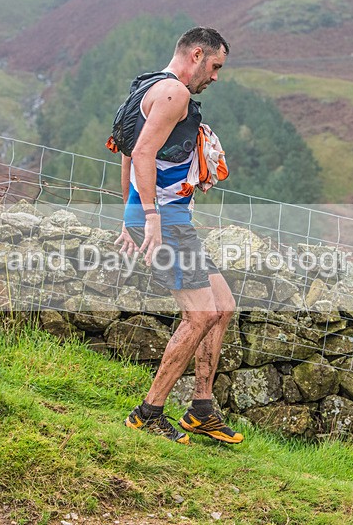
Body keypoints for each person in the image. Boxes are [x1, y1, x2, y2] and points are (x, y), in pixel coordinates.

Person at [113, 27, 242, 445]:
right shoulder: (175, 94)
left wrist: (129, 214)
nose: (216, 77)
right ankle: (148, 413)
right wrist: (148, 217)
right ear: (197, 55)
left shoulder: (147, 85)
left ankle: (201, 408)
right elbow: (144, 153)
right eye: (216, 66)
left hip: (160, 216)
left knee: (222, 307)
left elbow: (128, 150)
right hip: (164, 219)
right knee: (200, 314)